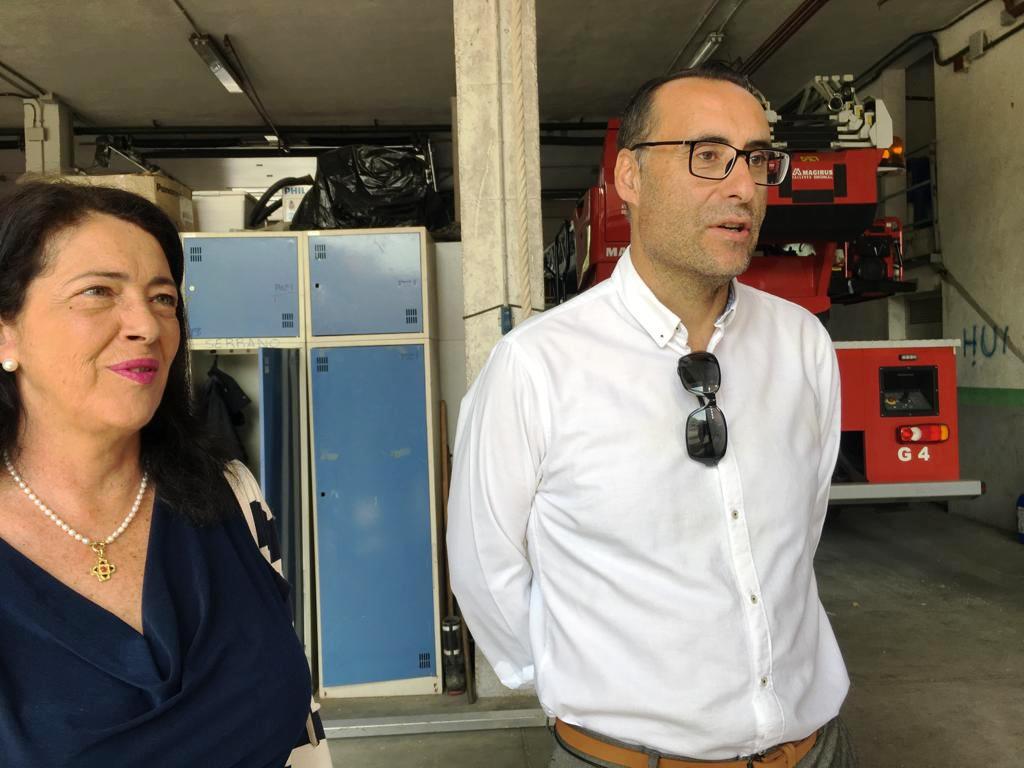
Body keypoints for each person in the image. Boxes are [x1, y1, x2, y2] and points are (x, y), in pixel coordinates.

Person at [447, 64, 857, 768]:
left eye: (757, 158)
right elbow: (485, 567)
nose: (743, 186)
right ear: (629, 177)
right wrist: (586, 687)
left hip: (812, 748)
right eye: (708, 155)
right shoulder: (537, 365)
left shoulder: (801, 344)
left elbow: (800, 529)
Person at [0, 182, 330, 767]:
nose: (147, 327)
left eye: (162, 298)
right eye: (98, 292)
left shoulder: (232, 495)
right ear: (7, 332)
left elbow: (302, 732)